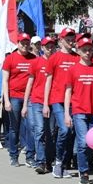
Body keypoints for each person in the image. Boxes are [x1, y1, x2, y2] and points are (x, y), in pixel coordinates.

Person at [64, 37, 93, 184]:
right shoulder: (73, 69)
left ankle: (80, 159)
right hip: (79, 110)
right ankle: (84, 172)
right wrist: (66, 113)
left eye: (90, 50)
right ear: (79, 51)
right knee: (83, 142)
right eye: (84, 50)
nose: (88, 53)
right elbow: (68, 92)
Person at [43, 28, 79, 178]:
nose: (70, 42)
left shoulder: (77, 57)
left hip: (73, 100)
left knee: (70, 132)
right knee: (64, 129)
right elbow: (48, 81)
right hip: (57, 100)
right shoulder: (54, 58)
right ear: (61, 40)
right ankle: (58, 163)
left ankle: (64, 164)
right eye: (68, 39)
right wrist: (45, 103)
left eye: (72, 39)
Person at [3, 33, 37, 166]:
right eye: (22, 43)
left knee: (30, 127)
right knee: (14, 128)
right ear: (17, 43)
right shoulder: (10, 58)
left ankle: (30, 156)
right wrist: (6, 100)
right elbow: (5, 81)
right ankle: (13, 155)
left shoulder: (34, 58)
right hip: (14, 97)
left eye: (27, 43)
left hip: (29, 98)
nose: (25, 45)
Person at [23, 37, 54, 172]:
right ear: (42, 48)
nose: (49, 48)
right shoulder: (36, 62)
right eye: (47, 46)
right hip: (37, 101)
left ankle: (49, 160)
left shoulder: (56, 62)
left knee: (51, 132)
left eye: (52, 46)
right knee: (39, 130)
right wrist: (25, 104)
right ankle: (40, 161)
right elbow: (29, 83)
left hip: (53, 102)